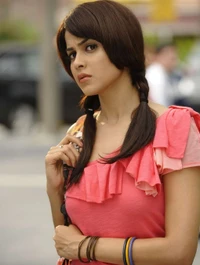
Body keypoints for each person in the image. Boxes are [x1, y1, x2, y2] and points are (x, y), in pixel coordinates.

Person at [45, 1, 200, 265]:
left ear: (122, 45)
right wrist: (54, 188)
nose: (78, 63)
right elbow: (66, 243)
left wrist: (87, 247)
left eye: (90, 47)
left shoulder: (174, 126)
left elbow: (179, 252)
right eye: (71, 54)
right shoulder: (79, 132)